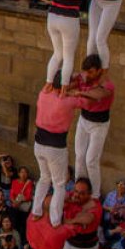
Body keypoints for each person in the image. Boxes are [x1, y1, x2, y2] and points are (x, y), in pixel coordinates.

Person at [30, 73, 82, 227]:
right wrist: (77, 86)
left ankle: (36, 211)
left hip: (39, 144)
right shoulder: (68, 101)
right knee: (59, 184)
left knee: (44, 178)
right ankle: (55, 219)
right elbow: (84, 102)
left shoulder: (43, 94)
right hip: (55, 147)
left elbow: (56, 89)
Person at [68, 55, 114, 195]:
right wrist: (70, 77)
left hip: (99, 125)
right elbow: (68, 83)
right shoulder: (84, 77)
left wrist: (79, 93)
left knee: (91, 160)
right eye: (87, 72)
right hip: (84, 120)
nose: (88, 75)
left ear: (99, 70)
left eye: (91, 72)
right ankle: (79, 188)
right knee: (79, 156)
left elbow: (97, 95)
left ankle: (95, 194)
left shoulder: (107, 85)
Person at [46, 0, 90, 87]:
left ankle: (48, 83)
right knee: (68, 57)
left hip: (52, 16)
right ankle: (64, 86)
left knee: (57, 54)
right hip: (69, 19)